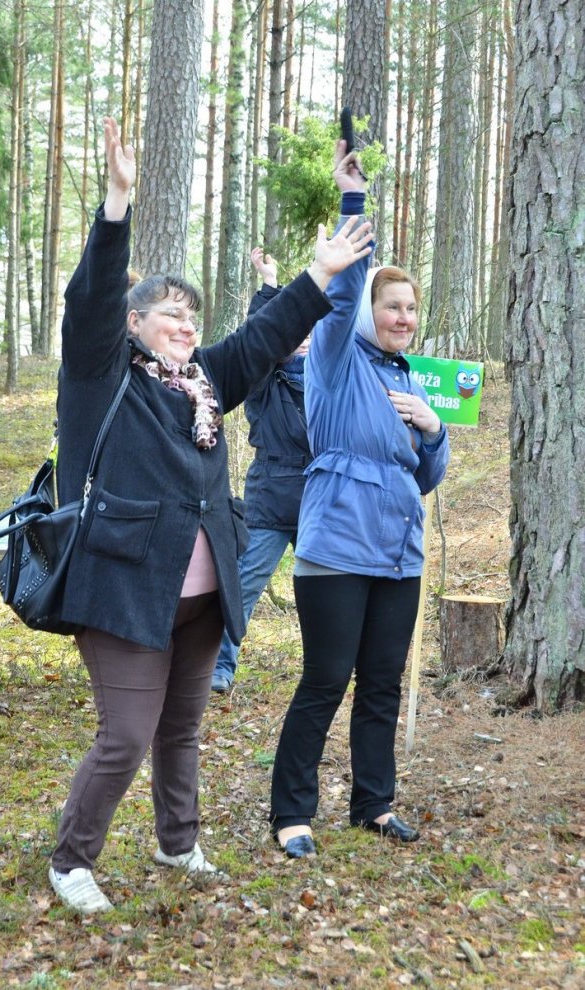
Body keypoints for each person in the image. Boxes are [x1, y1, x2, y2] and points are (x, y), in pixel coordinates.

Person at [47, 117, 374, 912]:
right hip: (124, 591)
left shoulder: (202, 383)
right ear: (132, 325)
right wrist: (116, 204)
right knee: (126, 736)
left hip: (199, 596)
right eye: (169, 313)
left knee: (180, 730)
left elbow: (264, 336)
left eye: (193, 315)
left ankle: (177, 841)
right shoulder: (100, 375)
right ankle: (71, 860)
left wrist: (317, 273)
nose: (187, 325)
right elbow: (92, 299)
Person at [269, 142, 450, 859]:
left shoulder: (409, 379)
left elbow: (423, 478)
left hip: (399, 555)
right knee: (324, 681)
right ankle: (291, 812)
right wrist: (354, 205)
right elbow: (339, 299)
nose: (403, 318)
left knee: (381, 684)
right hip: (339, 546)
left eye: (410, 309)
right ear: (370, 312)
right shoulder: (336, 359)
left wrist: (434, 432)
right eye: (392, 306)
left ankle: (373, 804)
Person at [211, 247, 312, 694]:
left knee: (327, 593)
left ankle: (327, 668)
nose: (302, 338)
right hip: (271, 497)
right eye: (294, 331)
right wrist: (269, 286)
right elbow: (256, 337)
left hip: (321, 499)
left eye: (308, 330)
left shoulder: (329, 379)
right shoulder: (263, 379)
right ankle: (218, 666)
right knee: (243, 585)